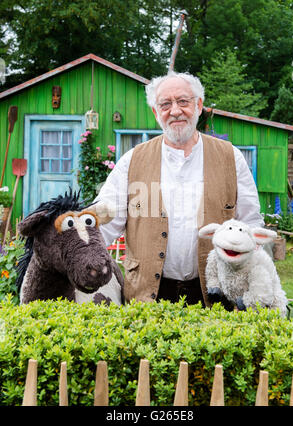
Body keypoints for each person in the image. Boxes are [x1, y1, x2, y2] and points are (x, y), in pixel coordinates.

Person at [91, 71, 264, 306]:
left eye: (183, 101)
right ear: (155, 112)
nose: (175, 111)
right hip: (146, 297)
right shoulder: (132, 161)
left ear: (199, 105)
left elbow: (251, 224)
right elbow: (102, 223)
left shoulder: (230, 157)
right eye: (165, 104)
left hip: (216, 295)